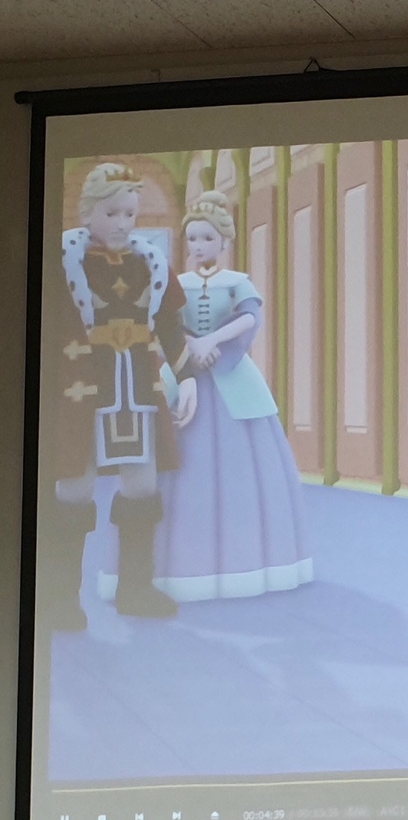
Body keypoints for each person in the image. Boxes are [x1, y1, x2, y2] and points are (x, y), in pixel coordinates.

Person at [96, 191, 313, 602]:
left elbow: (249, 317)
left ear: (224, 241)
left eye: (207, 238)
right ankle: (165, 568)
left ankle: (241, 563)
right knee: (168, 455)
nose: (198, 246)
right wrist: (191, 346)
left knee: (241, 470)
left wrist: (212, 340)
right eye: (192, 238)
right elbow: (166, 321)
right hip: (182, 374)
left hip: (231, 379)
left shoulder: (238, 282)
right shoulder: (176, 282)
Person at [42, 162, 197, 630]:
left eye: (130, 213)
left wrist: (187, 377)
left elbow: (169, 326)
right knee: (74, 487)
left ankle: (136, 589)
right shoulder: (61, 262)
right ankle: (59, 600)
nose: (122, 223)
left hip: (138, 391)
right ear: (87, 212)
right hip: (82, 392)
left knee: (142, 486)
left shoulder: (150, 262)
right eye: (112, 213)